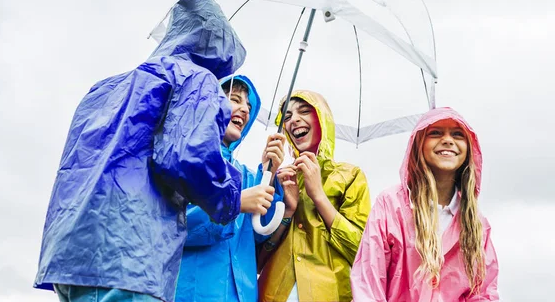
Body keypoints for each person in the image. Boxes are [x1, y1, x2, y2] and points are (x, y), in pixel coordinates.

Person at [34, 0, 247, 302]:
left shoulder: (103, 88)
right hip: (132, 255)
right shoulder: (196, 79)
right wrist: (231, 197)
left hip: (71, 257)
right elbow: (188, 157)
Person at [350, 107, 500, 301]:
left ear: (470, 150)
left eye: (457, 134)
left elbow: (483, 292)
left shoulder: (476, 224)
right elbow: (368, 283)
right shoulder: (391, 205)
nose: (447, 140)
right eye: (435, 133)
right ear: (418, 144)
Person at [175, 74, 286, 302]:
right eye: (235, 99)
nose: (244, 109)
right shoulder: (183, 158)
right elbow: (174, 227)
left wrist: (269, 173)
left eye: (248, 105)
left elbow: (258, 236)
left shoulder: (246, 175)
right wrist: (234, 204)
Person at [258, 90, 371, 302]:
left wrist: (318, 196)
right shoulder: (280, 178)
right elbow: (255, 258)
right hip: (273, 294)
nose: (294, 120)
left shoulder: (351, 176)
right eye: (288, 116)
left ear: (322, 119)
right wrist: (285, 208)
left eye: (304, 111)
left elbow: (362, 252)